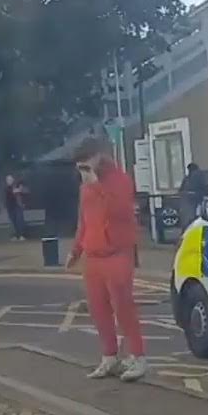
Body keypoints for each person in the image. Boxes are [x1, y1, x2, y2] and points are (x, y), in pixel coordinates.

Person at [65, 137, 149, 381]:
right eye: (79, 167)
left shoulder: (120, 180)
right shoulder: (84, 188)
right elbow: (85, 221)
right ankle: (110, 357)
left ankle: (138, 357)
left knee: (123, 306)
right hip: (93, 256)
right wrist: (76, 250)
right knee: (98, 308)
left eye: (85, 164)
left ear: (98, 157)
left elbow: (120, 211)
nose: (83, 171)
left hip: (117, 253)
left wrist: (97, 185)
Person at [179, 162, 208, 229]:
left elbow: (181, 190)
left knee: (190, 219)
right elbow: (206, 188)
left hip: (193, 202)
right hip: (192, 202)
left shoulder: (191, 178)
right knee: (190, 219)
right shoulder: (190, 178)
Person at [3, 174, 28, 241]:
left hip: (18, 207)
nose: (9, 181)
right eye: (8, 180)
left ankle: (21, 235)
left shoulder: (16, 186)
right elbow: (14, 191)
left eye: (10, 179)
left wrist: (20, 188)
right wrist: (19, 189)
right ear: (6, 181)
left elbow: (24, 191)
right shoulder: (6, 188)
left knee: (19, 220)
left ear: (13, 180)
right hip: (10, 207)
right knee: (13, 222)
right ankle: (15, 235)